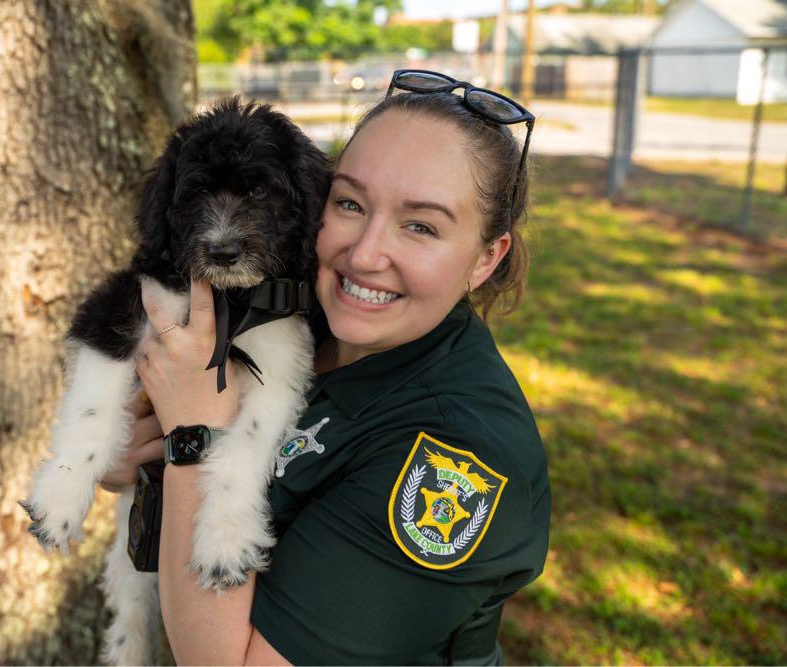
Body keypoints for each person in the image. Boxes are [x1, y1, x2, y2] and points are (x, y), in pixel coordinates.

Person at [102, 70, 551, 665]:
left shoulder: (459, 455)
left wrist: (192, 439)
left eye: (421, 226)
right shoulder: (293, 315)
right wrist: (133, 456)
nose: (364, 255)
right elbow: (139, 459)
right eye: (350, 203)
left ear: (485, 258)